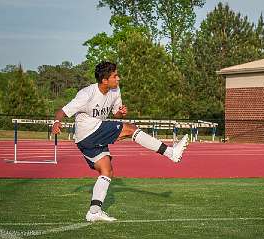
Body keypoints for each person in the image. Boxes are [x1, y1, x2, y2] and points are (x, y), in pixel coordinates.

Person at [51, 61, 188, 222]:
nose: (118, 78)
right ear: (104, 80)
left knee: (106, 170)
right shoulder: (86, 94)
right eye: (115, 76)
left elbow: (115, 114)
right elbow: (62, 111)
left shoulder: (115, 90)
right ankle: (171, 153)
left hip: (86, 140)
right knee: (130, 129)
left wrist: (120, 113)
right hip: (87, 132)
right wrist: (56, 122)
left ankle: (94, 211)